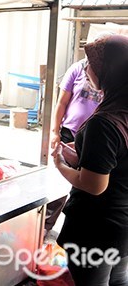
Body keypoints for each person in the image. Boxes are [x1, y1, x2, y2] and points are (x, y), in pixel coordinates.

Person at [51, 34, 128, 286]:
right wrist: (85, 154)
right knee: (118, 281)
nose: (86, 69)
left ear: (110, 71)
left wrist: (62, 164)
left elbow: (95, 185)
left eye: (91, 64)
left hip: (97, 228)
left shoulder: (104, 123)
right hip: (123, 225)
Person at [45, 58, 103, 234]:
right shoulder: (77, 68)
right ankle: (45, 227)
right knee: (57, 183)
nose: (88, 68)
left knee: (84, 184)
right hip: (70, 133)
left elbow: (94, 185)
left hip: (94, 139)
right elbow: (61, 102)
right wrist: (55, 132)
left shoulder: (111, 78)